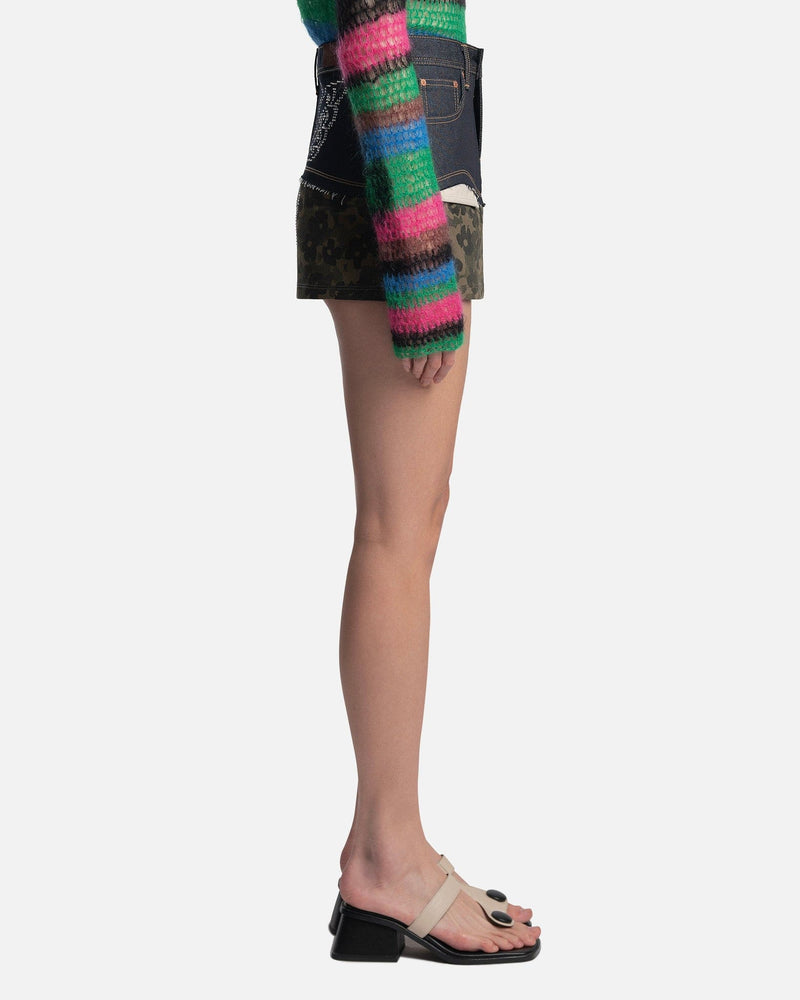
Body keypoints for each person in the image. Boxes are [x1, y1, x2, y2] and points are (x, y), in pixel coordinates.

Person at [295, 0, 542, 964]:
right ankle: (387, 858)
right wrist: (410, 228)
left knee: (411, 520)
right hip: (400, 142)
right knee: (398, 529)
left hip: (403, 128)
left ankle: (384, 840)